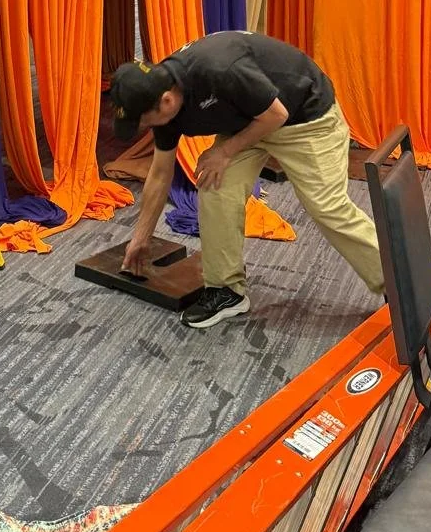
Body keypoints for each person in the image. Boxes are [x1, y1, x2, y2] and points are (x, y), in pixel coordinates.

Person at [109, 33, 385, 330]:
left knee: (327, 207)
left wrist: (225, 151)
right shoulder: (162, 101)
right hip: (246, 122)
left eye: (146, 122)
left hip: (304, 119)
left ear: (166, 101)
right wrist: (140, 239)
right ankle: (226, 290)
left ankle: (398, 282)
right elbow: (160, 174)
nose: (147, 128)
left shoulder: (218, 69)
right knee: (215, 187)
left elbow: (276, 114)